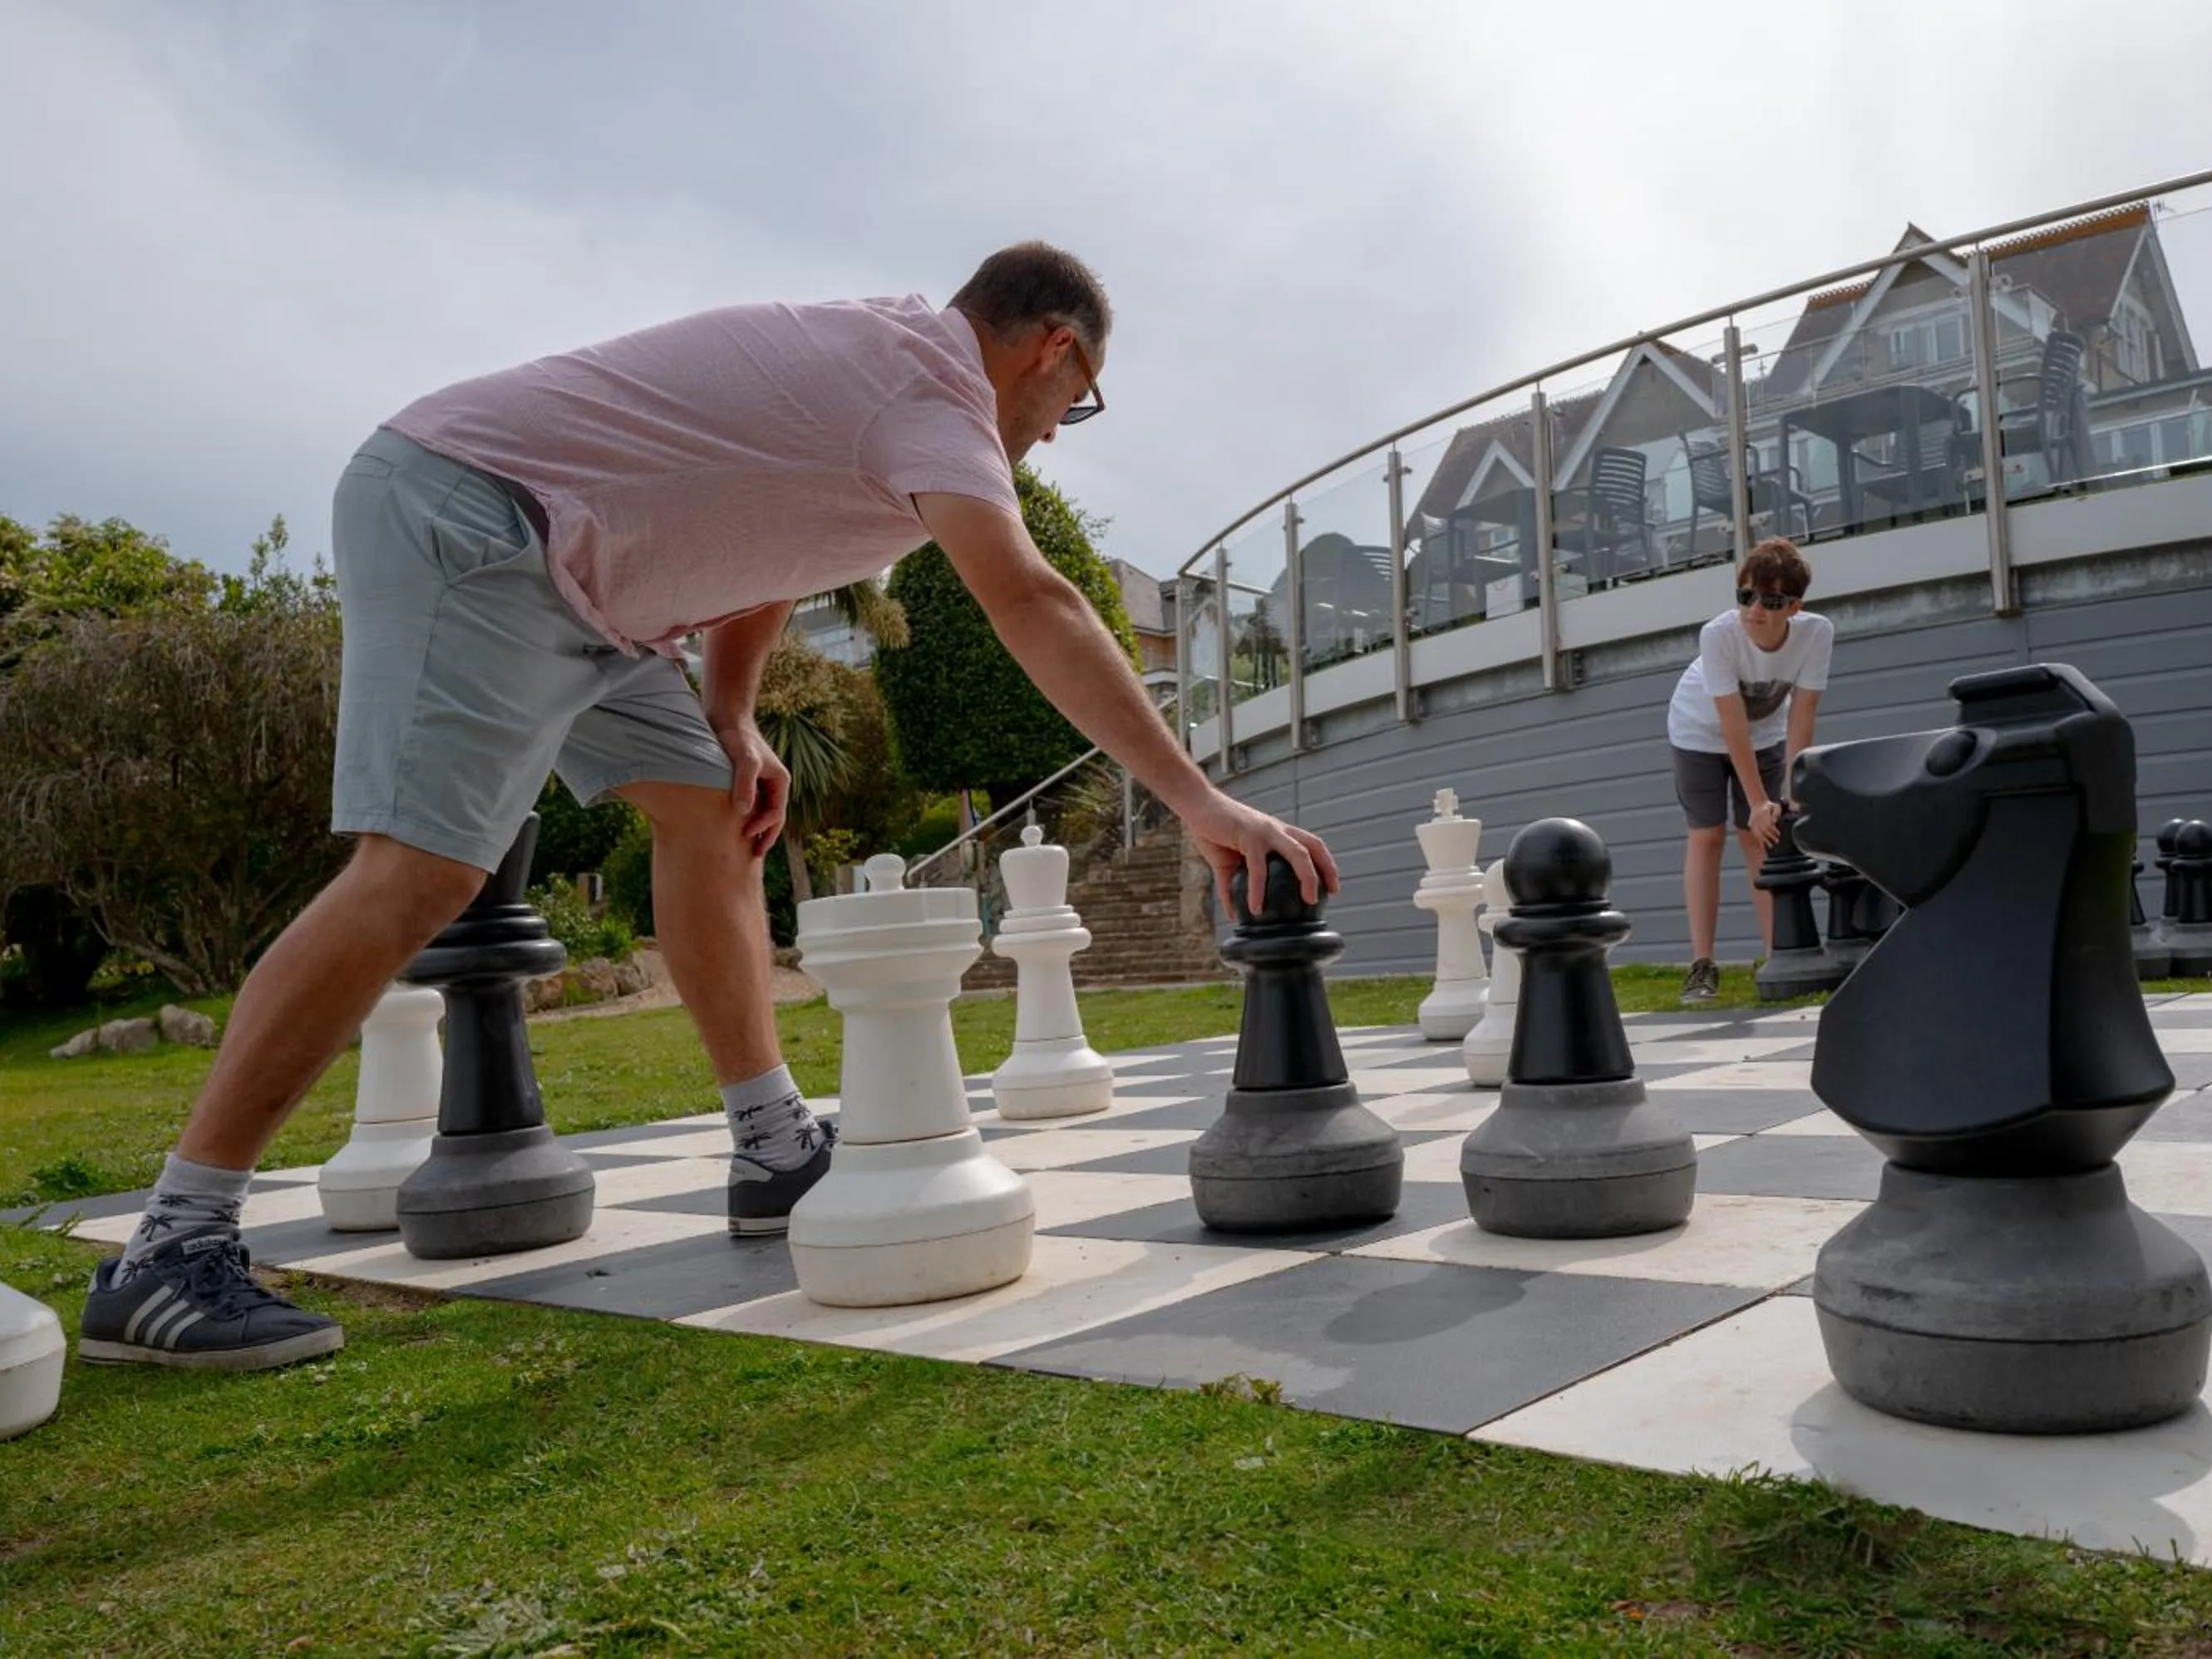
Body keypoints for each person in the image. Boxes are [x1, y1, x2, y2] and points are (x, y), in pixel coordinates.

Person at [78, 243, 1336, 1371]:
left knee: (711, 808)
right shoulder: (928, 392)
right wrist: (1200, 796)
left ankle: (775, 1149)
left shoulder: (883, 392)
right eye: (1080, 399)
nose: (1063, 432)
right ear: (1054, 347)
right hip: (476, 512)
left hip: (593, 588)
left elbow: (771, 551)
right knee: (422, 872)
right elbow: (1035, 601)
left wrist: (733, 721)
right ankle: (170, 1249)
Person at [1663, 538, 1832, 1005]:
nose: (1755, 610)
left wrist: (1789, 793)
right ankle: (1702, 965)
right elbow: (1731, 723)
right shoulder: (1718, 635)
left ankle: (1778, 955)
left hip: (1765, 738)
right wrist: (1759, 800)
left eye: (1771, 601)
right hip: (1697, 732)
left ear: (1794, 607)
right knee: (1708, 835)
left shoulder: (1817, 634)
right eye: (1746, 597)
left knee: (1762, 836)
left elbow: (1803, 713)